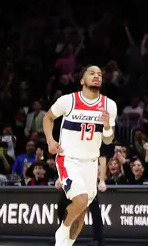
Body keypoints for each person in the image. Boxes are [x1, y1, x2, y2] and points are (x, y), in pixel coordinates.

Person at [44, 66, 118, 246]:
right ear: (82, 80)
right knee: (81, 199)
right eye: (92, 73)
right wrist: (50, 141)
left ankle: (65, 244)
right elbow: (48, 118)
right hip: (68, 159)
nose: (96, 76)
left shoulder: (109, 105)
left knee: (82, 212)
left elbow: (108, 141)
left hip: (90, 163)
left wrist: (107, 126)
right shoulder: (68, 101)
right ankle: (62, 230)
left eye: (100, 74)